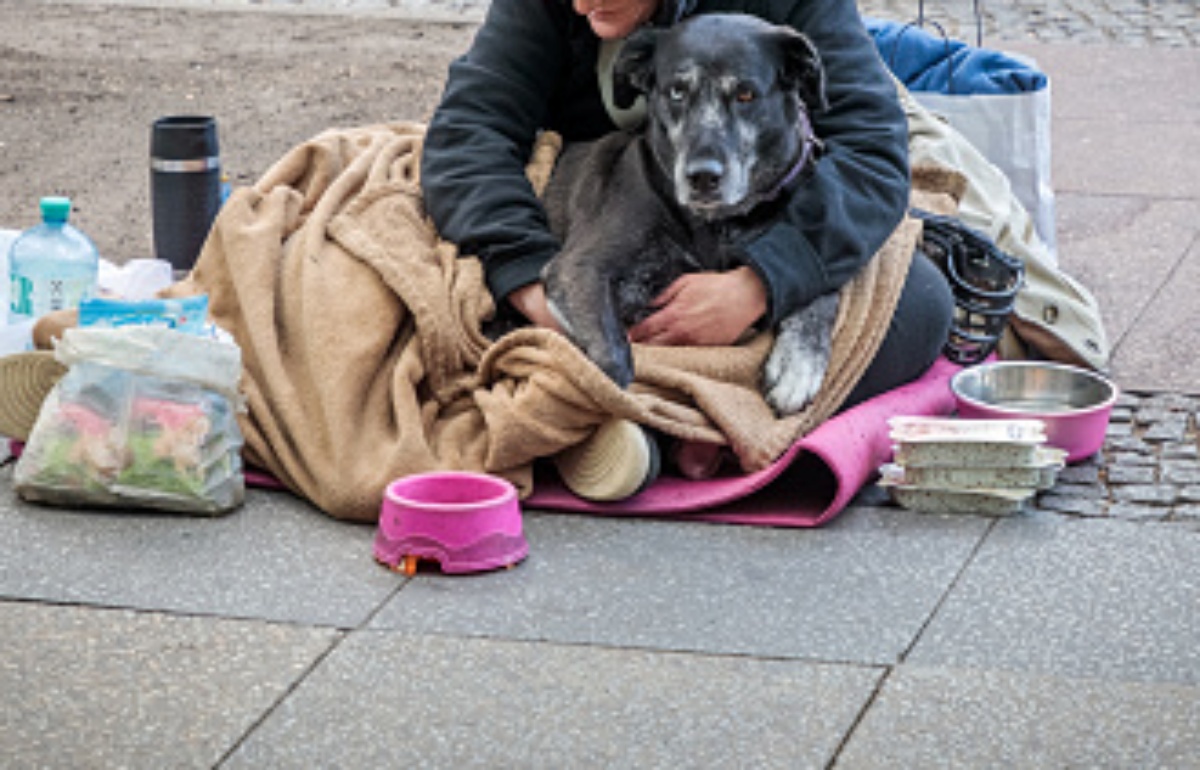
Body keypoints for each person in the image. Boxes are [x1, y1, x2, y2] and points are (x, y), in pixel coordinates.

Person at [420, 0, 954, 501]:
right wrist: (532, 286)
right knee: (428, 287)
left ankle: (641, 422)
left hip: (778, 213)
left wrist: (762, 283)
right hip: (607, 212)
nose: (580, 5)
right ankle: (695, 420)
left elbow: (873, 153)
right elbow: (468, 131)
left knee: (922, 304)